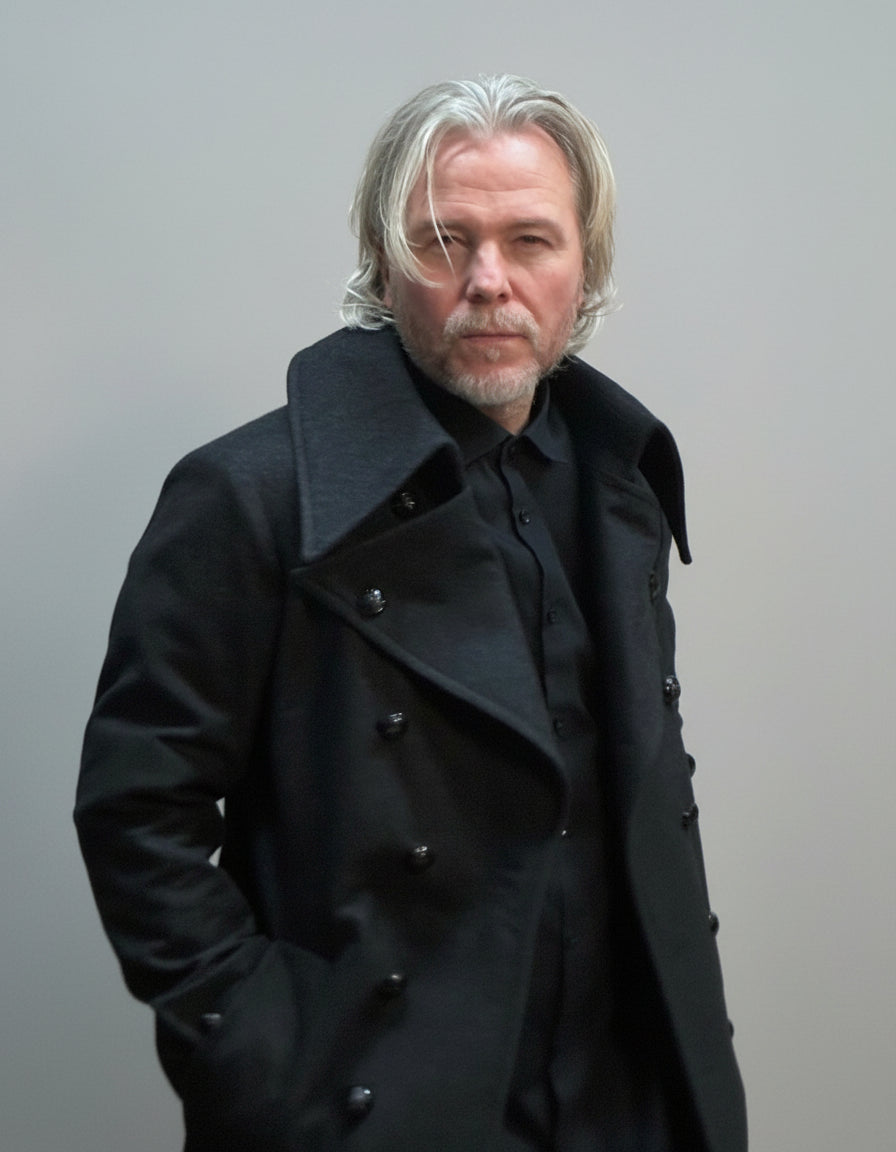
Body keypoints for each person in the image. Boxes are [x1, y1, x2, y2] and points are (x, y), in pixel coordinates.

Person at [75, 75, 747, 1152]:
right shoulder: (251, 496)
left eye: (529, 241)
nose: (488, 281)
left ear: (584, 267)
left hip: (627, 1101)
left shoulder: (615, 480)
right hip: (382, 1107)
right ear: (382, 264)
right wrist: (267, 1062)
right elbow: (135, 809)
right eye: (444, 241)